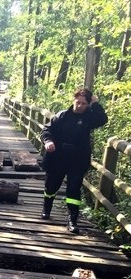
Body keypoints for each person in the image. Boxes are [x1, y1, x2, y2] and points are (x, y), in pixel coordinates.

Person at [40, 87, 108, 233]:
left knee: (73, 189)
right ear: (73, 100)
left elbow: (103, 119)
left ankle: (73, 220)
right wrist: (48, 141)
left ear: (87, 104)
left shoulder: (89, 117)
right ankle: (47, 208)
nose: (80, 106)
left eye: (84, 104)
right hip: (58, 157)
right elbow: (46, 130)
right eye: (78, 102)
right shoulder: (62, 116)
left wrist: (95, 104)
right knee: (51, 185)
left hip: (78, 159)